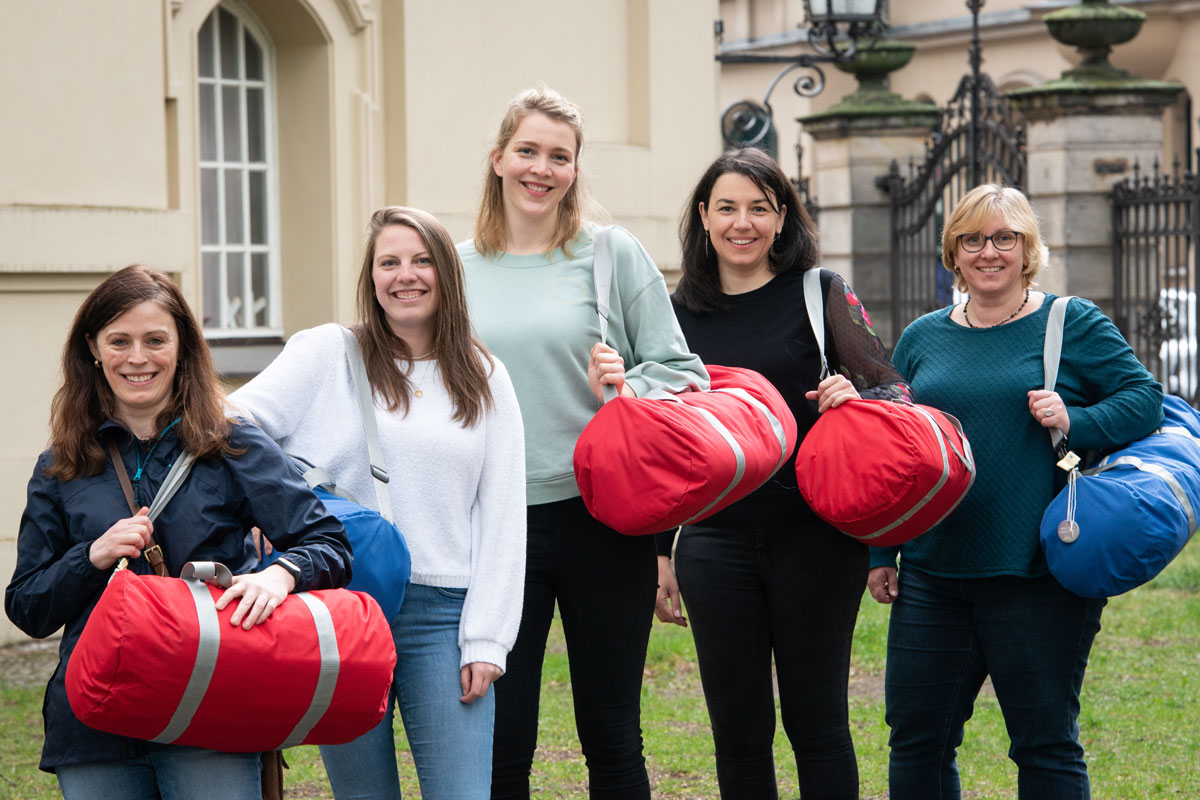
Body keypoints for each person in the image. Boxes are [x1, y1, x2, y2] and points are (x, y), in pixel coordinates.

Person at [5, 265, 351, 800]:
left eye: (155, 340)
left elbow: (328, 544)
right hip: (95, 719)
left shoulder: (233, 442)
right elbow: (28, 607)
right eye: (119, 341)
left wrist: (280, 575)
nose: (137, 358)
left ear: (182, 348)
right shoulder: (63, 464)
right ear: (94, 349)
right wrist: (89, 557)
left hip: (209, 706)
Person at [867, 184, 1163, 799]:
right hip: (932, 572)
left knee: (1044, 742)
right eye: (973, 239)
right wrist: (880, 552)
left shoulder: (1070, 322)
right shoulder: (923, 336)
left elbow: (1144, 401)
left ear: (1028, 249)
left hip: (1037, 572)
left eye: (1005, 238)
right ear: (953, 251)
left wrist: (1073, 419)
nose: (989, 252)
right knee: (917, 740)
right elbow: (895, 449)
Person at [457, 85, 709, 800]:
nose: (542, 168)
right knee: (501, 735)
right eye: (529, 151)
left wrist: (628, 384)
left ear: (574, 169)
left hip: (602, 516)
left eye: (559, 157)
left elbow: (682, 373)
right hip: (494, 524)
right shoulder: (454, 265)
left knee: (611, 733)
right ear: (499, 158)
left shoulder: (609, 254)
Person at [230, 206, 526, 800]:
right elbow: (232, 424)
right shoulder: (325, 354)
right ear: (371, 278)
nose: (405, 275)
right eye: (388, 262)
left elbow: (502, 515)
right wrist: (265, 514)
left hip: (443, 615)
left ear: (446, 272)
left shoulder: (484, 375)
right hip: (341, 605)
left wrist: (488, 640)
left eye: (421, 261)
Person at [654, 147, 910, 799]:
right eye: (728, 208)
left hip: (818, 539)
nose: (744, 223)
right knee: (738, 732)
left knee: (816, 721)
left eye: (760, 209)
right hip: (714, 542)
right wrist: (661, 553)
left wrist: (856, 397)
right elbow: (661, 442)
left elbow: (892, 390)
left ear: (783, 218)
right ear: (704, 218)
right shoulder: (673, 315)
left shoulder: (819, 293)